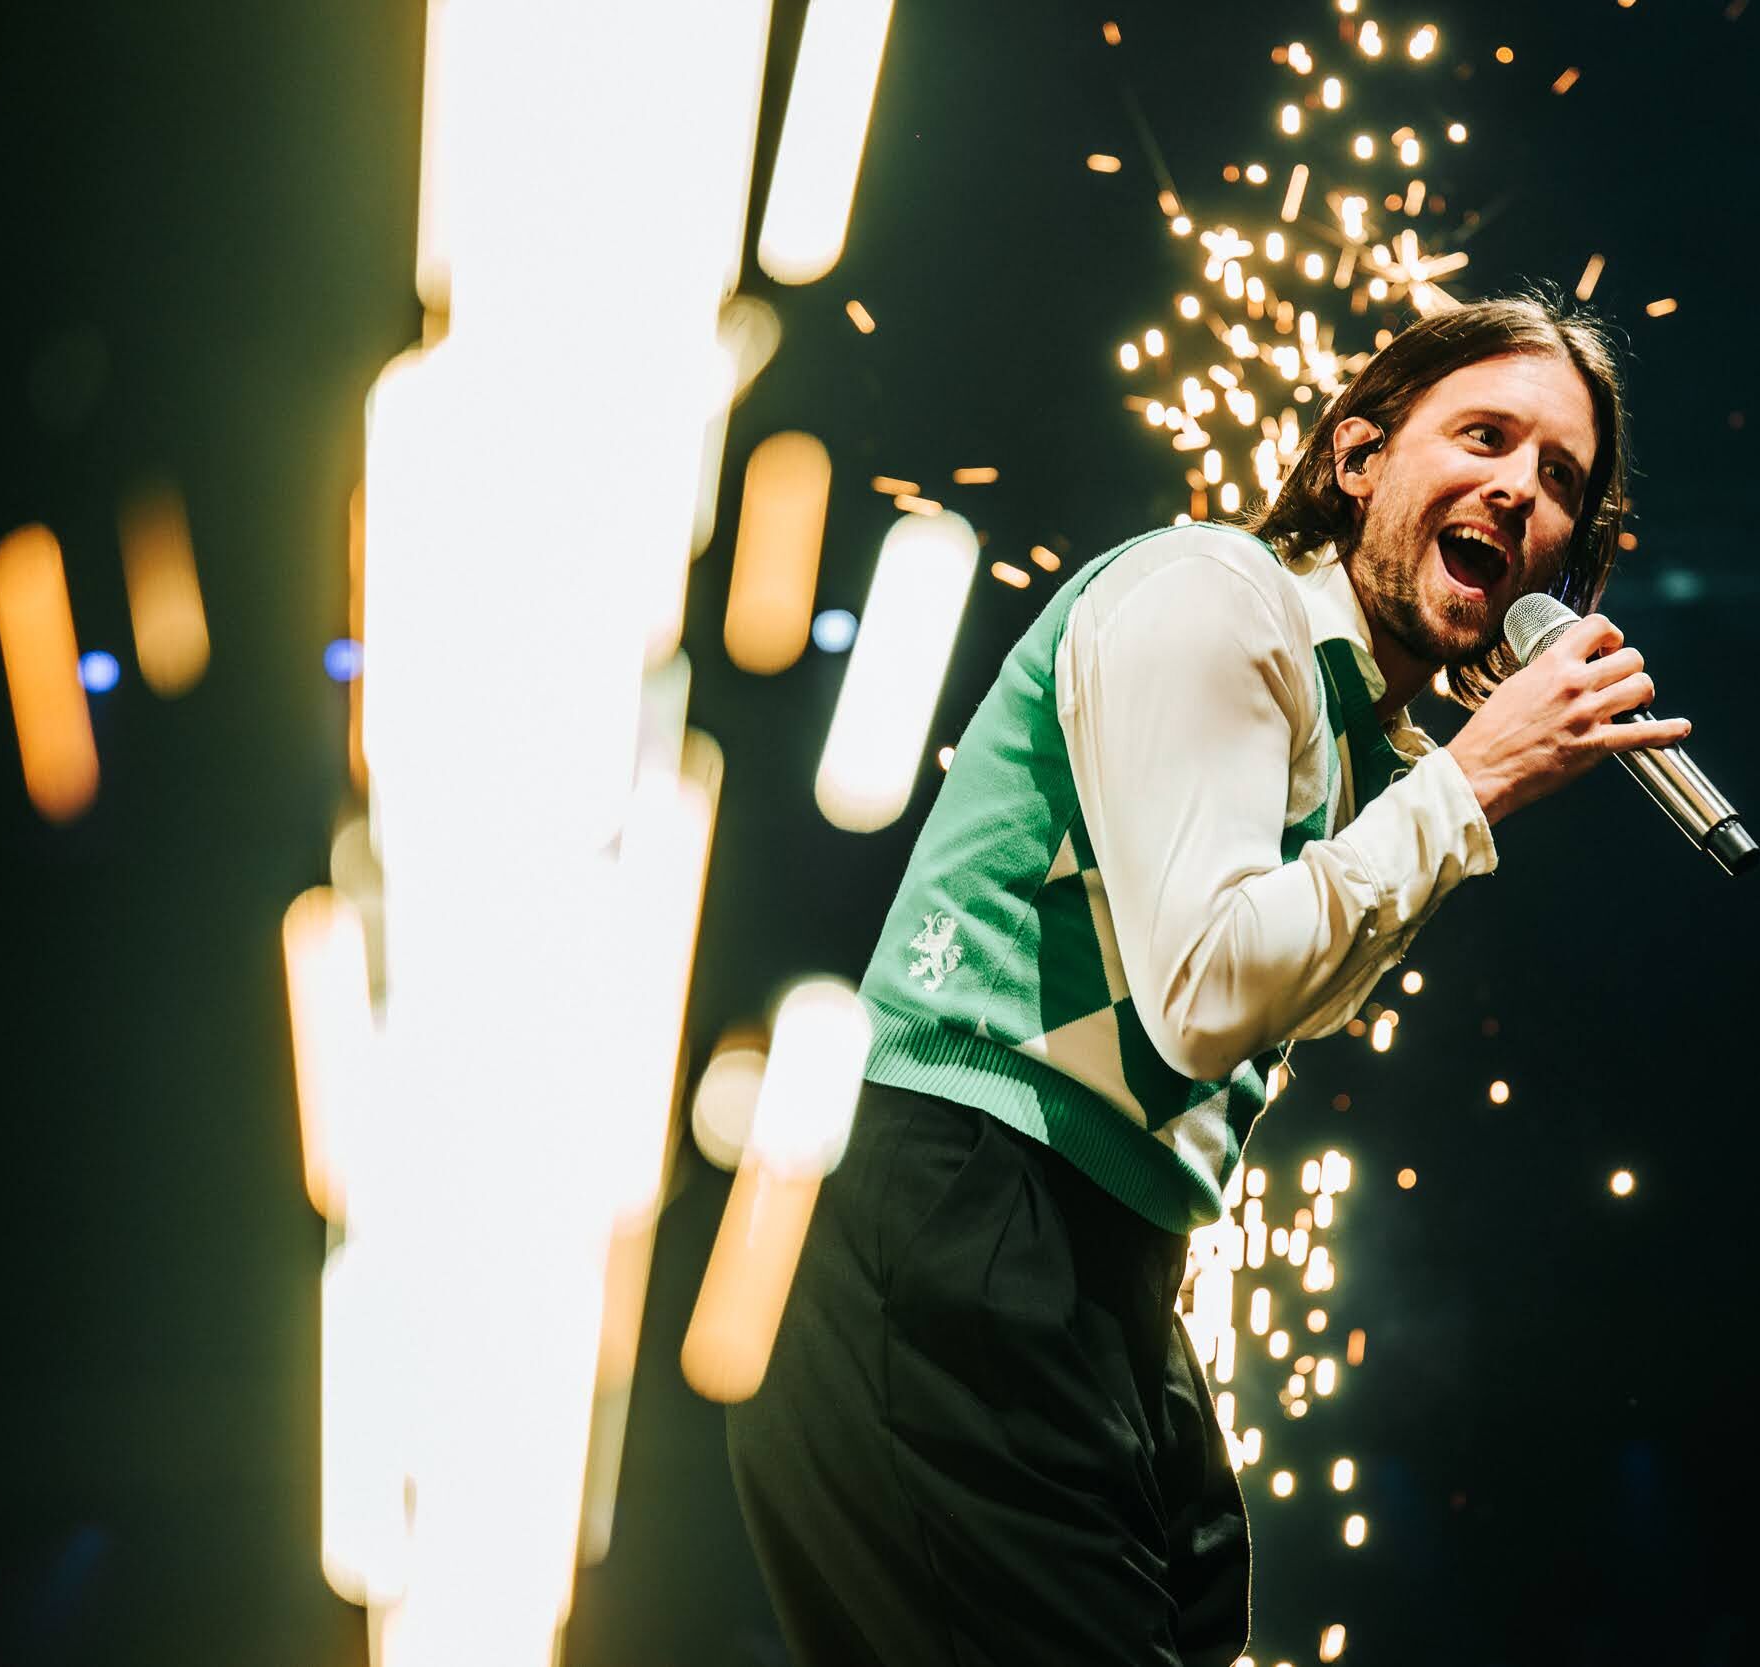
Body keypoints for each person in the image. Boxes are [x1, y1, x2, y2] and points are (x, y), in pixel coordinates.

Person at [725, 292, 1692, 1666]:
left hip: (1109, 1254)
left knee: (1195, 1608)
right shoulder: (1212, 596)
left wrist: (1440, 793)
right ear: (1359, 455)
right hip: (960, 1196)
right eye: (1485, 436)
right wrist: (1471, 788)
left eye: (1561, 480)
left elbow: (1284, 995)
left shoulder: (1373, 746)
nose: (1521, 490)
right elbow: (1206, 997)